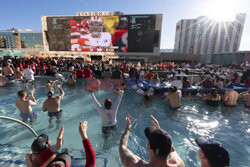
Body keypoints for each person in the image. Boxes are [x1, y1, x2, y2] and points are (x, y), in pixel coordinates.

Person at [119, 114, 185, 167]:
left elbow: (122, 147)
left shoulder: (134, 163)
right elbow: (172, 150)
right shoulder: (179, 164)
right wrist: (161, 132)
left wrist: (128, 127)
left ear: (149, 146)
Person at [25, 121, 96, 167]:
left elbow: (36, 164)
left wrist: (54, 147)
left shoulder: (30, 157)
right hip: (60, 157)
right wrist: (84, 135)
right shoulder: (51, 158)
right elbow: (91, 161)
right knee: (65, 154)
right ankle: (66, 151)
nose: (55, 165)